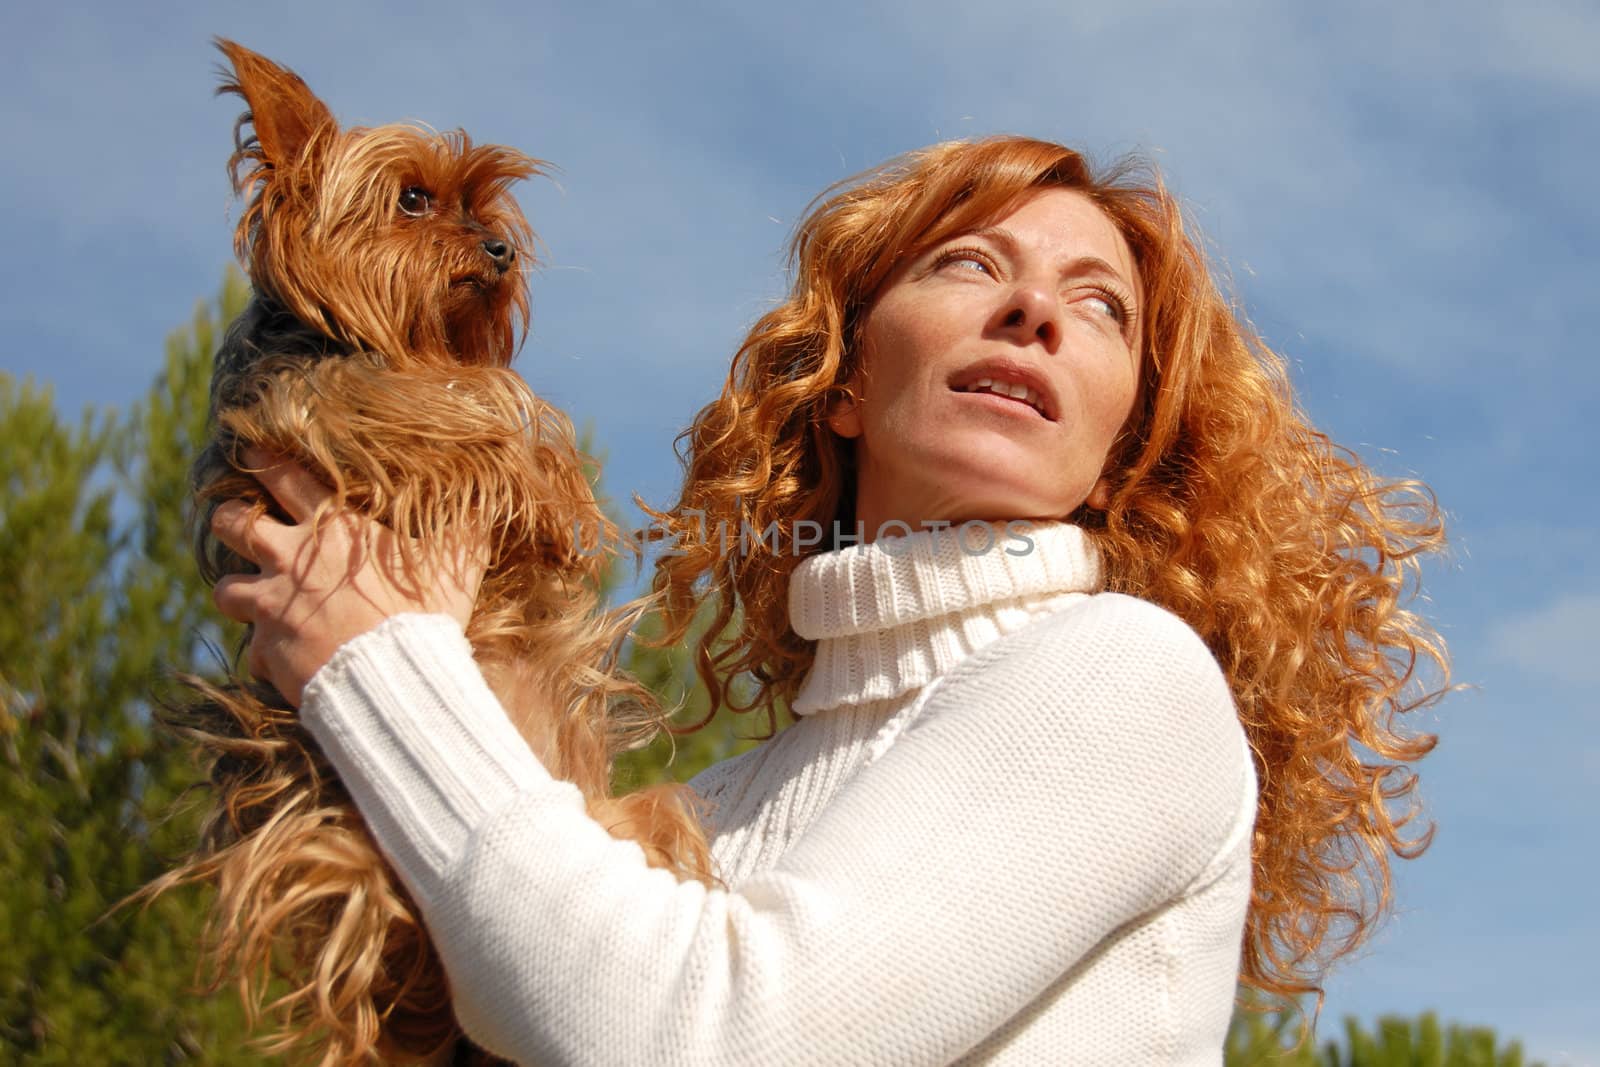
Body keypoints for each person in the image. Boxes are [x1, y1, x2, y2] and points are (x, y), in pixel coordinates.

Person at [211, 136, 1448, 1064]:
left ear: (1120, 448)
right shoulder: (722, 801)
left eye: (1099, 305)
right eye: (970, 263)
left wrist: (379, 661)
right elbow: (539, 983)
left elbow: (704, 1032)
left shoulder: (1122, 677)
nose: (1033, 310)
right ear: (845, 380)